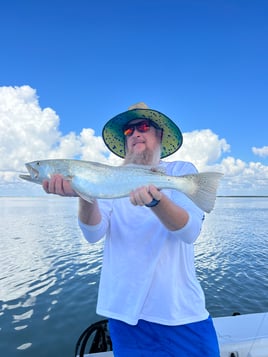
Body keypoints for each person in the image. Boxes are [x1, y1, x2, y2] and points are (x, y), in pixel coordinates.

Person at [43, 102, 220, 356]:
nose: (135, 133)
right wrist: (85, 192)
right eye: (129, 131)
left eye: (144, 127)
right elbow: (93, 234)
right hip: (125, 315)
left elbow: (189, 231)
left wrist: (156, 201)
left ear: (160, 135)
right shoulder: (106, 179)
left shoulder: (181, 172)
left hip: (180, 312)